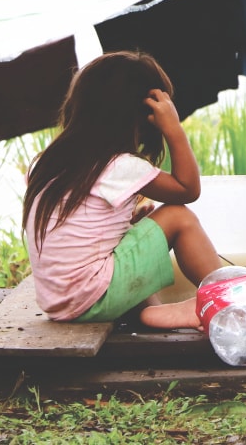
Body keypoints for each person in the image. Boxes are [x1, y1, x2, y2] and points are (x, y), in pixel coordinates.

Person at [22, 50, 216, 330]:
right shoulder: (117, 164)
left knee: (125, 239)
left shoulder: (46, 163)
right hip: (93, 295)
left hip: (60, 302)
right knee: (178, 216)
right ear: (144, 116)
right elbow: (187, 189)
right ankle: (230, 299)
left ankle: (155, 313)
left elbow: (76, 232)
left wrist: (127, 226)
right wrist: (174, 129)